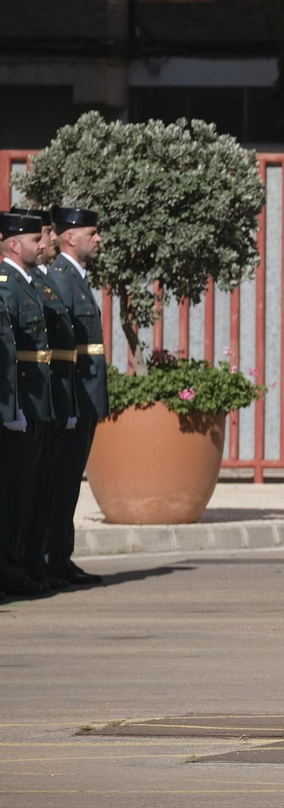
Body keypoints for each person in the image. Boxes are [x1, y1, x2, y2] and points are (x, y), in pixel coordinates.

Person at [34, 207, 106, 586]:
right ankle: (51, 558)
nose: (99, 239)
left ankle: (60, 556)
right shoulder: (61, 279)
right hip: (73, 400)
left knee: (68, 482)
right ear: (70, 238)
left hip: (85, 399)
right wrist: (72, 406)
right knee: (60, 482)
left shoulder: (75, 278)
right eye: (92, 233)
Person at [0, 211, 57, 596]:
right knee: (13, 493)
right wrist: (13, 406)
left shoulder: (30, 283)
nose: (43, 244)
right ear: (15, 244)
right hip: (19, 399)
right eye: (36, 239)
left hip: (35, 399)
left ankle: (19, 566)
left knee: (27, 491)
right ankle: (10, 568)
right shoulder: (7, 285)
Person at [24, 211, 78, 590]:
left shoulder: (42, 281)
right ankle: (28, 563)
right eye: (41, 234)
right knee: (26, 490)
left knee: (46, 487)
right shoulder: (20, 282)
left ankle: (38, 562)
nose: (48, 242)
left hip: (49, 397)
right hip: (30, 399)